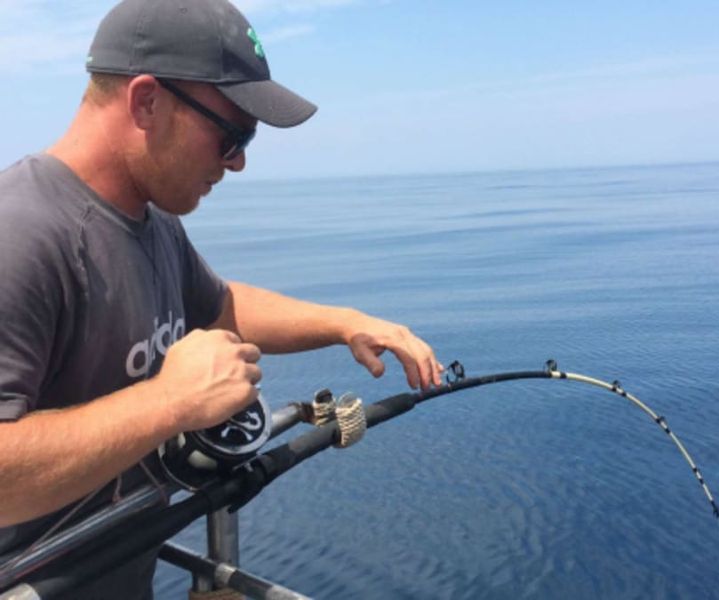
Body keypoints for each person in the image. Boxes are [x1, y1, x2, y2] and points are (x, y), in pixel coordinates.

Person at [0, 0, 443, 597]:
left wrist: (344, 323)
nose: (237, 162)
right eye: (230, 135)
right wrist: (170, 401)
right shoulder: (20, 235)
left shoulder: (150, 221)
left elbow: (218, 306)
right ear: (147, 102)